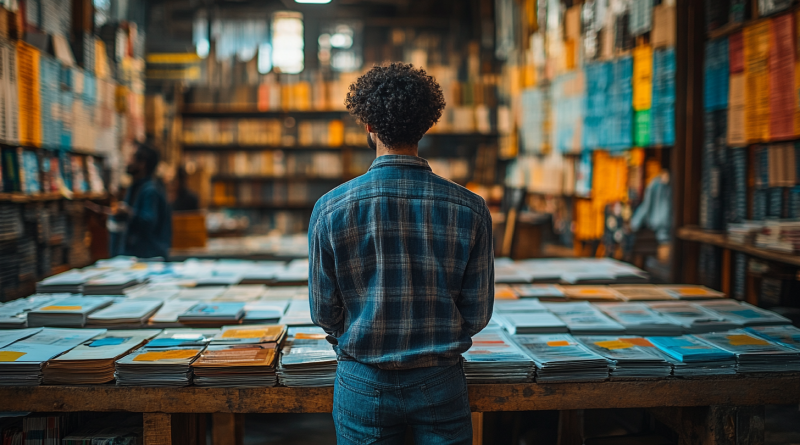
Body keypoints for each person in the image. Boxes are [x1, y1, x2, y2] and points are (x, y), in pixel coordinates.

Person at [309, 63, 494, 444]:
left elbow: (323, 311)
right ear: (426, 126)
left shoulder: (330, 208)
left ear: (368, 126)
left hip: (363, 378)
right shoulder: (470, 208)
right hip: (440, 378)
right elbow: (477, 312)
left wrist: (358, 337)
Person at [110, 143, 172, 259]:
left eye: (131, 158)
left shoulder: (151, 190)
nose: (127, 161)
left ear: (142, 164)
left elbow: (148, 222)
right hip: (136, 256)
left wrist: (127, 213)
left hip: (149, 258)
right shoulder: (135, 188)